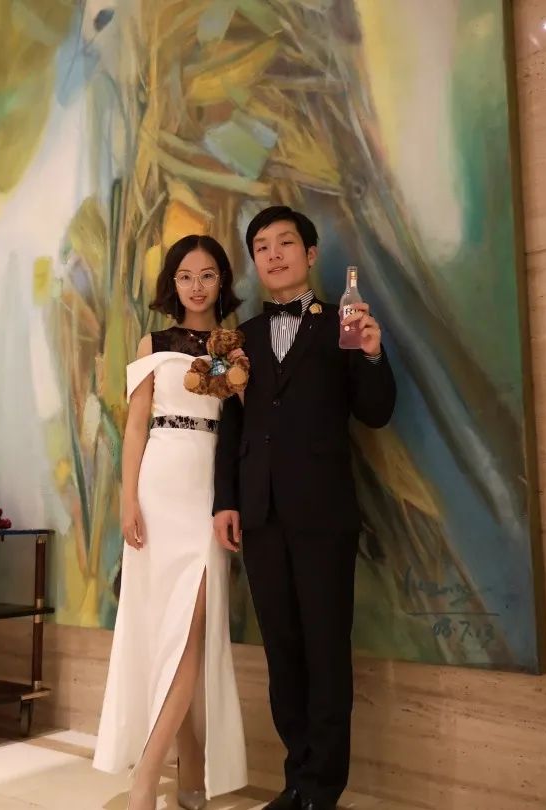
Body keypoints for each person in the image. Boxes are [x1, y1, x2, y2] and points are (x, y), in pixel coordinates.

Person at [213, 206, 396, 810]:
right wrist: (226, 502)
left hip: (324, 516)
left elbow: (375, 412)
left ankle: (322, 790)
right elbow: (230, 428)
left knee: (326, 652)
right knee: (283, 653)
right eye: (261, 246)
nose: (273, 254)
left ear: (310, 254)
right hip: (260, 517)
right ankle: (295, 781)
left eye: (285, 242)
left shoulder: (343, 323)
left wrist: (372, 354)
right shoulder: (236, 339)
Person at [93, 234, 249, 810]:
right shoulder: (153, 342)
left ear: (221, 280)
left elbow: (242, 422)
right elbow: (136, 425)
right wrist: (127, 500)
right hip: (158, 487)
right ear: (173, 284)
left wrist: (237, 374)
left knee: (191, 634)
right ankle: (189, 771)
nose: (197, 286)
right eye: (186, 276)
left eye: (207, 275)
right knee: (164, 630)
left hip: (209, 491)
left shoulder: (234, 346)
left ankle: (147, 778)